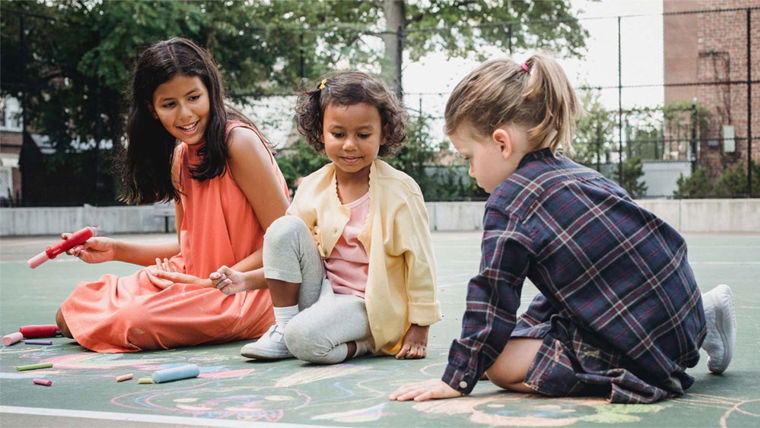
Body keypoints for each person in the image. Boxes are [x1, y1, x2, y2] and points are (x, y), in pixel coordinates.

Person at [389, 55, 736, 404]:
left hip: (647, 348)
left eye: (468, 157)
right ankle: (705, 314)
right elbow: (571, 287)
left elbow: (493, 295)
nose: (470, 172)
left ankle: (644, 361)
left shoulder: (510, 201)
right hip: (679, 313)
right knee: (526, 329)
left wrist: (460, 376)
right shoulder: (578, 174)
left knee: (498, 365)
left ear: (502, 143)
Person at [55, 38, 290, 352]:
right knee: (69, 314)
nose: (185, 114)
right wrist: (115, 249)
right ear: (152, 110)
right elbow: (187, 246)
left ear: (211, 92)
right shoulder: (180, 157)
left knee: (131, 321)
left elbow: (287, 243)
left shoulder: (239, 142)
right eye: (169, 104)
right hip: (194, 280)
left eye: (194, 97)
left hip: (246, 289)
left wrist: (218, 280)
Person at [211, 71, 441, 364]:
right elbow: (289, 259)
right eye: (338, 133)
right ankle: (284, 329)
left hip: (369, 305)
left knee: (305, 340)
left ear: (383, 133)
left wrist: (420, 328)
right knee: (284, 228)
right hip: (321, 294)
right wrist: (244, 280)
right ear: (321, 132)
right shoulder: (313, 186)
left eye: (363, 134)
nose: (349, 145)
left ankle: (365, 343)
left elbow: (421, 264)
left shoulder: (401, 192)